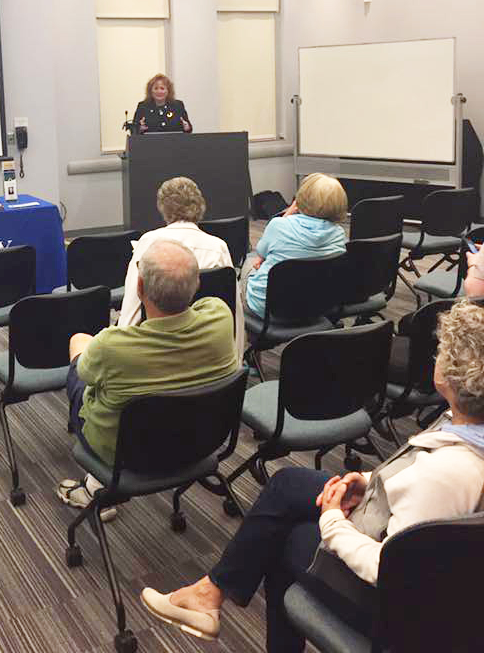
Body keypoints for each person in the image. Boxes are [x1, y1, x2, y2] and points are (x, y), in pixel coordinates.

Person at [140, 299, 484, 652]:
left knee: (285, 540)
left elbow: (392, 571)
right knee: (288, 484)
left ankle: (209, 598)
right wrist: (370, 481)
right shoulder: (463, 427)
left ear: (455, 375)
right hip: (405, 527)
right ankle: (208, 594)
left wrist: (333, 522)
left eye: (442, 351)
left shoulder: (447, 473)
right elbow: (419, 488)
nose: (435, 357)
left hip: (396, 611)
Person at [57, 240, 238, 518]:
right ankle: (94, 484)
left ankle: (94, 488)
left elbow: (85, 374)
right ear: (197, 285)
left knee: (79, 348)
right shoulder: (220, 315)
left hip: (126, 454)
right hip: (201, 439)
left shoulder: (112, 346)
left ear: (139, 288)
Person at [118, 176, 244, 360]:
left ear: (163, 208)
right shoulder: (218, 247)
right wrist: (236, 360)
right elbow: (234, 311)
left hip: (156, 350)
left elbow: (131, 312)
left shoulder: (147, 243)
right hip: (205, 349)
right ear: (199, 206)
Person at [244, 172, 347, 318]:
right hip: (316, 308)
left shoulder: (279, 225)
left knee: (249, 262)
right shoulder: (339, 234)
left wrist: (289, 212)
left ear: (300, 199)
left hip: (270, 311)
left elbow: (261, 253)